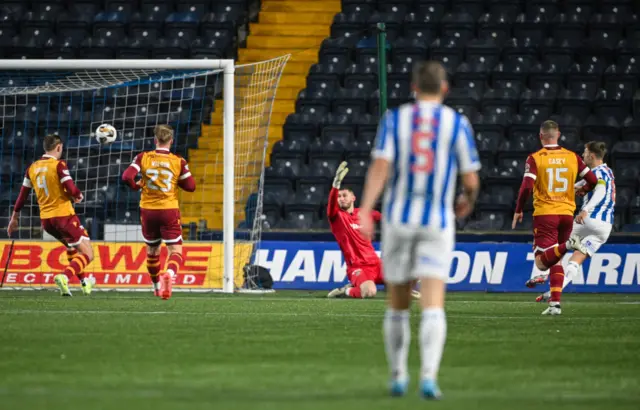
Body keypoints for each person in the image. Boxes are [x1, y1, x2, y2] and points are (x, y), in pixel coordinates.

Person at [358, 61, 481, 399]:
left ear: (413, 87)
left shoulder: (395, 120)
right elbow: (471, 179)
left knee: (397, 303)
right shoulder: (457, 123)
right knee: (432, 302)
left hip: (398, 219)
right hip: (437, 221)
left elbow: (380, 167)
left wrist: (367, 210)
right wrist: (467, 199)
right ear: (444, 89)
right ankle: (428, 377)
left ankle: (398, 375)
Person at [512, 120, 598, 315]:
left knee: (542, 262)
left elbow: (526, 186)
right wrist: (584, 189)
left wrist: (519, 209)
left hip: (545, 214)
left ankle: (569, 244)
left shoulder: (535, 158)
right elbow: (592, 180)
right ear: (558, 134)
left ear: (541, 136)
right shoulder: (572, 157)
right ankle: (555, 305)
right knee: (556, 260)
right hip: (567, 214)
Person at [7, 134, 95, 296]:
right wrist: (78, 195)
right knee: (88, 254)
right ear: (59, 147)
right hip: (64, 216)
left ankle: (84, 283)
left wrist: (14, 217)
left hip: (47, 221)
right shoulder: (59, 165)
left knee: (72, 246)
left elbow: (22, 196)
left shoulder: (32, 168)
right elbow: (70, 187)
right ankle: (64, 276)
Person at [528, 141, 614, 303]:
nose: (582, 156)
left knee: (552, 242)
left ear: (592, 156)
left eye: (584, 152)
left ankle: (541, 274)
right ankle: (554, 292)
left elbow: (601, 190)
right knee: (575, 261)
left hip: (588, 220)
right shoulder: (607, 172)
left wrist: (585, 210)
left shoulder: (596, 172)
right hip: (605, 228)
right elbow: (574, 187)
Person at [122, 125, 196, 299]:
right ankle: (169, 275)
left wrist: (136, 185)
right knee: (175, 251)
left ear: (155, 140)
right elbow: (191, 187)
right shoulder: (178, 161)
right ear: (171, 140)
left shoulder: (143, 157)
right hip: (169, 210)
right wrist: (176, 181)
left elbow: (126, 176)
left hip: (148, 211)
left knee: (152, 251)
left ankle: (156, 287)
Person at [326, 164, 420, 300]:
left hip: (377, 264)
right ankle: (346, 291)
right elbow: (330, 208)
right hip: (358, 267)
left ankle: (403, 289)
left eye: (344, 195)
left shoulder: (364, 213)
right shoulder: (337, 217)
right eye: (339, 197)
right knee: (370, 292)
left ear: (353, 198)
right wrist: (336, 184)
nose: (341, 198)